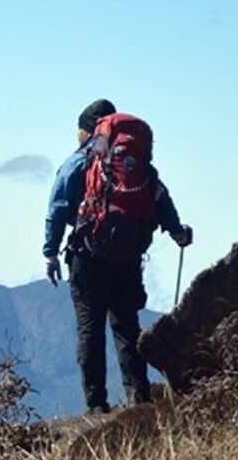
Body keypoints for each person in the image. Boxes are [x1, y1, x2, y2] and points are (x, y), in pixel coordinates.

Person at [43, 99, 193, 414]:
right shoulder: (136, 166)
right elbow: (161, 198)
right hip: (128, 256)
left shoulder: (77, 164)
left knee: (90, 329)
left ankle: (97, 405)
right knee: (127, 325)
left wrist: (50, 252)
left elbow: (57, 209)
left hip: (87, 256)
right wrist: (178, 232)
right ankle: (138, 397)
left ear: (88, 130)